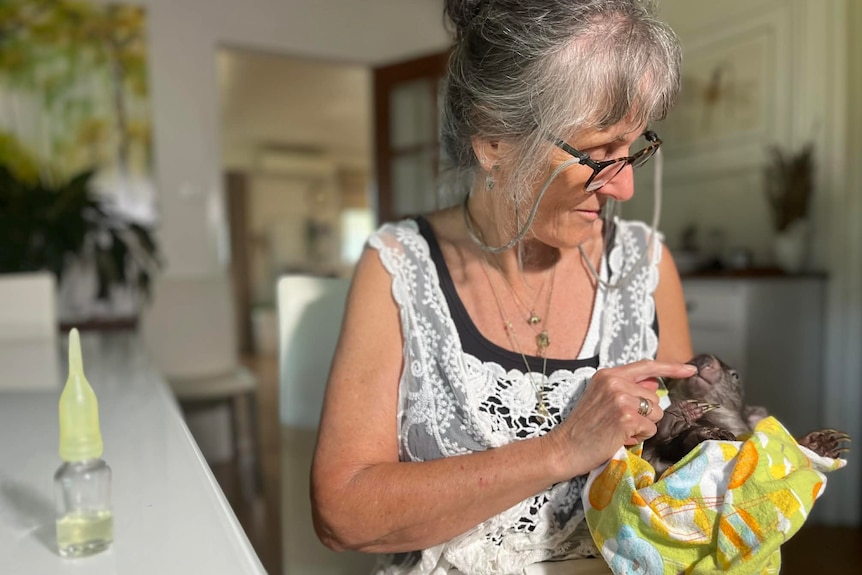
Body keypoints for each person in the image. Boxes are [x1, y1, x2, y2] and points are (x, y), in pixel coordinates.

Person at [311, 1, 696, 573]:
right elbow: (341, 514)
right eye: (598, 154)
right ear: (493, 141)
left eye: (635, 147)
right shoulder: (398, 268)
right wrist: (562, 449)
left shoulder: (646, 265)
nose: (625, 188)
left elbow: (689, 479)